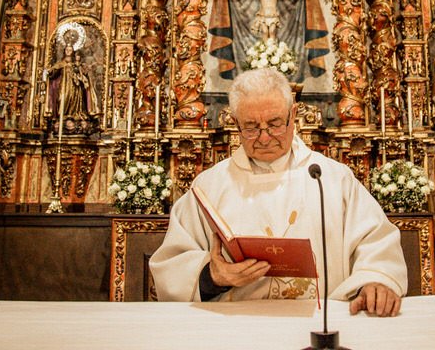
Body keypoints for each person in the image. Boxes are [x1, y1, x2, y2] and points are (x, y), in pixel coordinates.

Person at [150, 68, 406, 316]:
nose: (264, 137)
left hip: (318, 323)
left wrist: (374, 280)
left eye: (275, 124)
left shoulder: (332, 178)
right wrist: (211, 276)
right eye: (251, 127)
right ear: (235, 122)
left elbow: (375, 241)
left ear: (293, 115)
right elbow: (173, 264)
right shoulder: (210, 186)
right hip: (234, 329)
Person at [47, 43, 100, 120]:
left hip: (75, 86)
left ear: (73, 52)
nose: (68, 51)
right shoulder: (60, 64)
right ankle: (62, 115)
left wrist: (83, 72)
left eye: (70, 50)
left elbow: (83, 73)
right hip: (64, 86)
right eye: (67, 50)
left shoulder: (75, 64)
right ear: (64, 51)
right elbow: (53, 73)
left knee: (74, 99)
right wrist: (49, 72)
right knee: (63, 98)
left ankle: (74, 114)